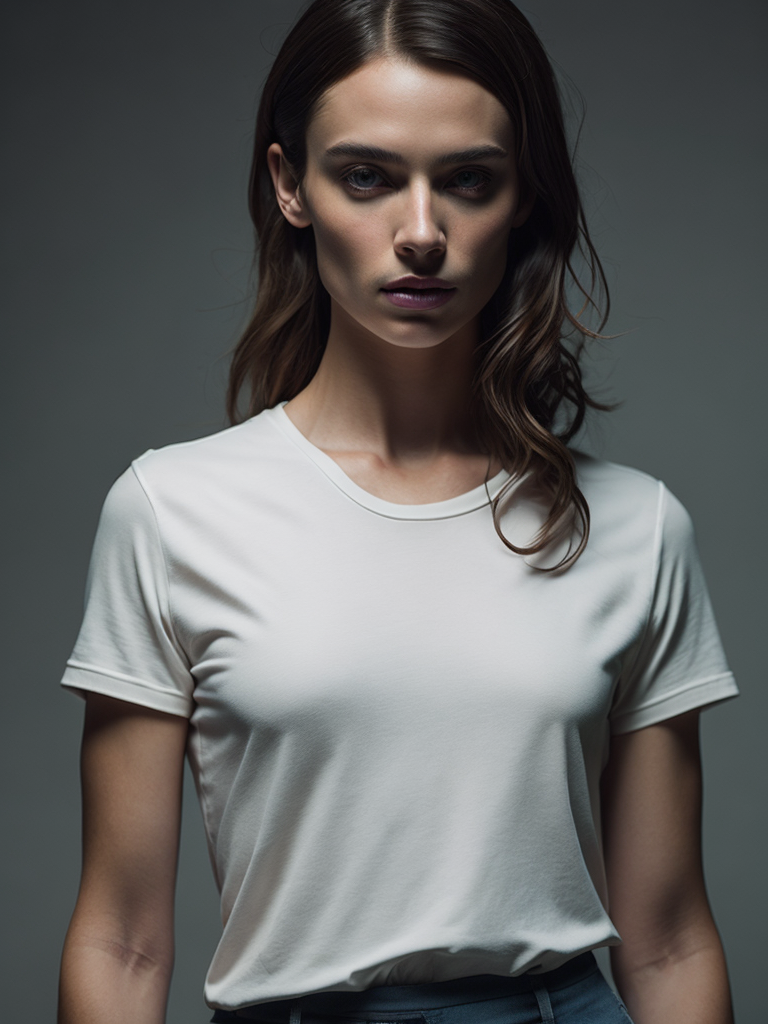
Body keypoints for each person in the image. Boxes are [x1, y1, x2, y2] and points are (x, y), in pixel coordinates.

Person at [57, 1, 739, 1022]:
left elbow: (674, 935)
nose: (421, 234)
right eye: (367, 177)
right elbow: (119, 937)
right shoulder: (170, 511)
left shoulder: (636, 528)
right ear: (292, 185)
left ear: (522, 196)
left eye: (468, 180)